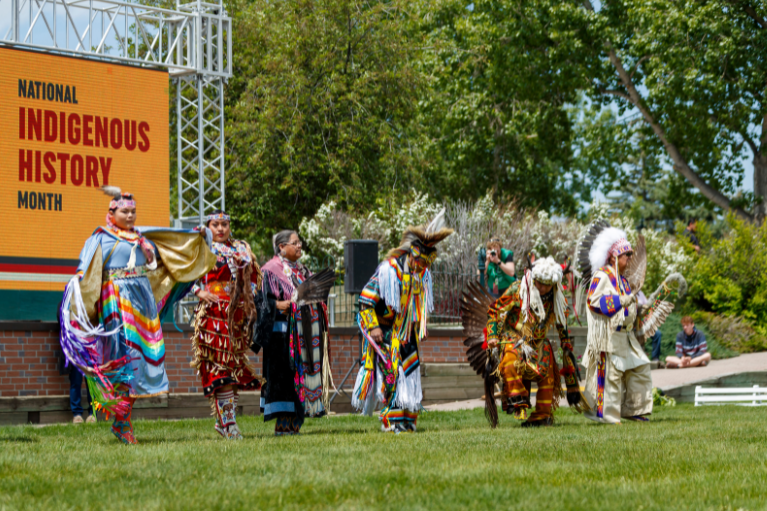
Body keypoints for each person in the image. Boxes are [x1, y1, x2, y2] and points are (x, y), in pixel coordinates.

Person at [59, 187, 215, 444]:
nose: (130, 216)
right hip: (116, 302)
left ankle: (123, 420)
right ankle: (122, 422)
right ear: (112, 212)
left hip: (142, 304)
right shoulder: (100, 237)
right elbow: (85, 269)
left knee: (140, 361)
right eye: (124, 211)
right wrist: (77, 286)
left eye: (133, 211)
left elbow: (170, 246)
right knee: (124, 359)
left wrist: (195, 237)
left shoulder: (142, 238)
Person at [351, 210, 453, 433]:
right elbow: (365, 299)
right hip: (385, 330)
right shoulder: (389, 270)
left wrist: (420, 325)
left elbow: (421, 305)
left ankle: (408, 419)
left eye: (425, 264)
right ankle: (392, 420)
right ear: (411, 254)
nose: (421, 267)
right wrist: (374, 326)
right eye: (419, 261)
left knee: (411, 372)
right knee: (393, 373)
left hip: (407, 332)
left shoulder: (422, 275)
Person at [485, 256, 586, 427]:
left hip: (538, 344)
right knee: (509, 360)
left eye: (548, 284)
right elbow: (494, 310)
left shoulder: (557, 296)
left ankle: (542, 416)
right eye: (540, 283)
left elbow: (562, 322)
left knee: (548, 376)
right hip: (515, 339)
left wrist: (566, 345)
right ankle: (518, 399)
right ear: (534, 279)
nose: (544, 288)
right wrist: (492, 335)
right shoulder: (518, 290)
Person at [191, 210, 263, 440]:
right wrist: (199, 291)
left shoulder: (240, 247)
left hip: (235, 316)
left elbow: (252, 279)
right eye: (215, 224)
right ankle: (228, 423)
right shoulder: (202, 246)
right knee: (219, 368)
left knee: (232, 369)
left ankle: (224, 422)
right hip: (212, 316)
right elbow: (184, 273)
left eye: (224, 224)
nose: (220, 229)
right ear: (208, 226)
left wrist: (246, 290)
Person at [253, 230, 331, 436]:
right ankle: (283, 425)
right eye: (294, 243)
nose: (299, 246)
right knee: (284, 378)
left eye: (300, 242)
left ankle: (294, 424)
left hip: (303, 335)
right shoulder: (269, 270)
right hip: (281, 336)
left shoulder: (303, 271)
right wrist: (277, 304)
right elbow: (258, 302)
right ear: (281, 247)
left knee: (299, 378)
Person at [582, 228, 653, 424]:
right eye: (626, 255)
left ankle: (632, 409)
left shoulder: (623, 280)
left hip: (626, 336)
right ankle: (607, 416)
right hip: (608, 336)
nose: (630, 258)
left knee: (640, 367)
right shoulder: (602, 275)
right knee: (610, 376)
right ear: (614, 257)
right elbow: (593, 301)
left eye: (631, 254)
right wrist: (621, 300)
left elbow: (629, 305)